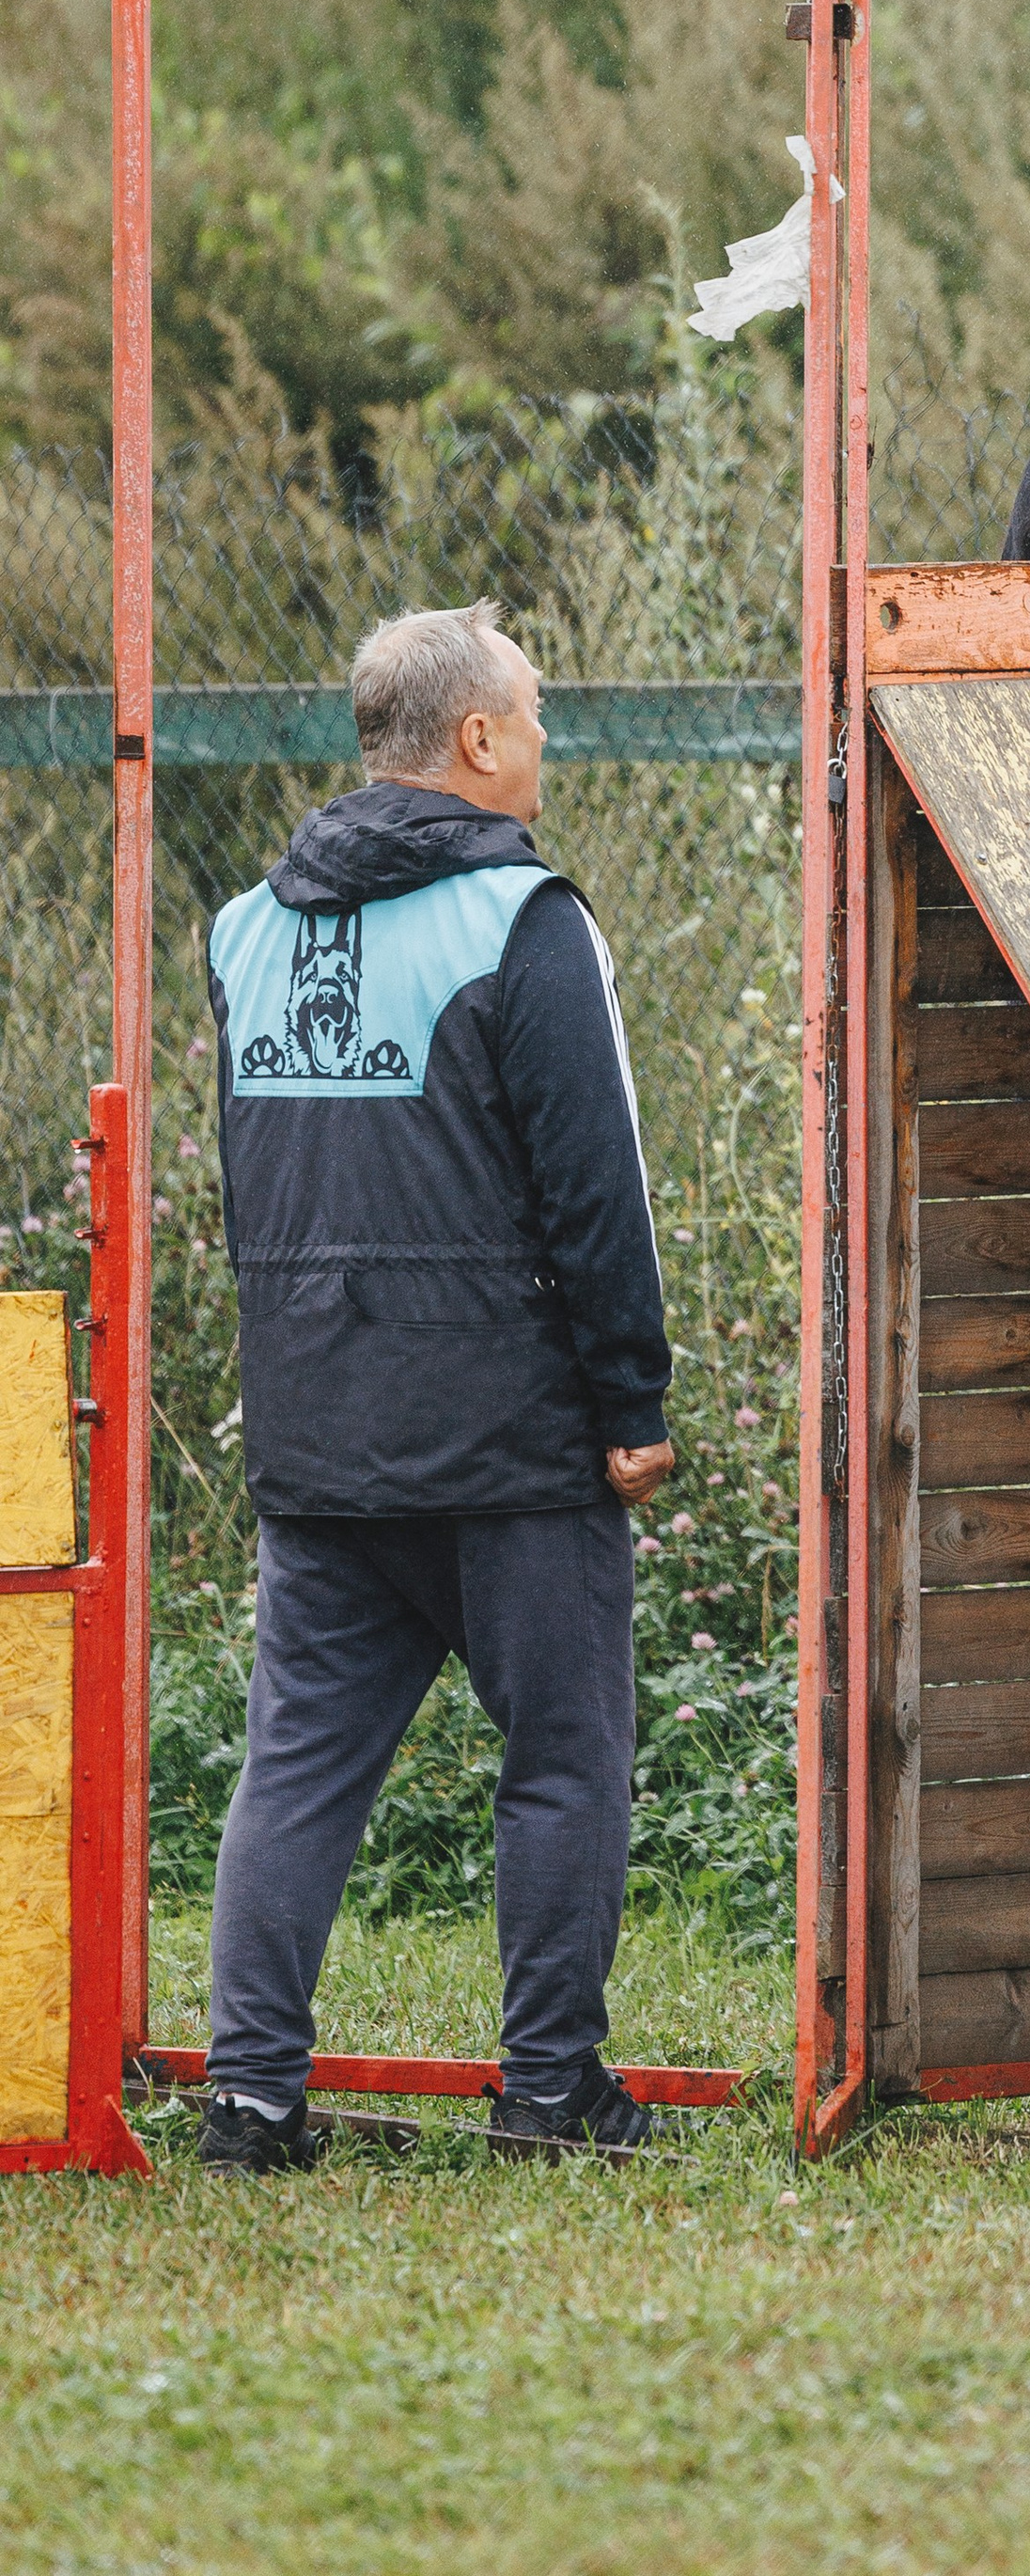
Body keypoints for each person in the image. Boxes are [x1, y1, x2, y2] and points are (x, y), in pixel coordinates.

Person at [197, 600, 675, 2170]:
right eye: (532, 714)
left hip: (319, 1435)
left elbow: (253, 1190)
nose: (544, 738)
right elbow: (597, 1188)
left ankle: (250, 2101)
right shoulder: (525, 920)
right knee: (563, 1763)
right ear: (476, 737)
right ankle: (549, 2095)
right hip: (512, 1447)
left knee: (295, 1772)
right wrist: (631, 1403)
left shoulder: (244, 928)